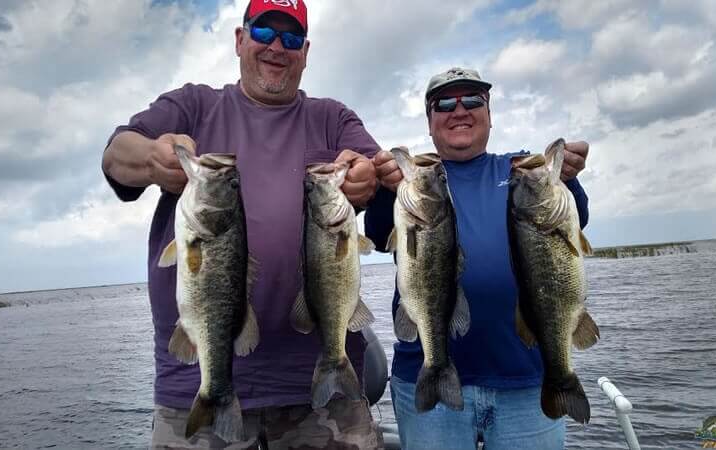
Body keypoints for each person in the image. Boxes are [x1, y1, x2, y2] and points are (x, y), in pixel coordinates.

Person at [101, 1, 383, 448]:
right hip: (192, 383)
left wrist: (367, 174)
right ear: (239, 39)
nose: (276, 46)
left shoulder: (332, 118)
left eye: (291, 38)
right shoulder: (194, 105)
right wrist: (152, 159)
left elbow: (373, 170)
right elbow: (116, 154)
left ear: (305, 52)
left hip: (320, 393)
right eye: (263, 32)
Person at [364, 67, 590, 450]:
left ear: (489, 114)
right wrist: (386, 190)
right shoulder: (413, 182)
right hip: (424, 375)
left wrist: (567, 177)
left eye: (472, 100)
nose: (459, 110)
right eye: (444, 104)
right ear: (430, 122)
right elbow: (379, 235)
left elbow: (576, 218)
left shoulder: (521, 171)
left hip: (526, 380)